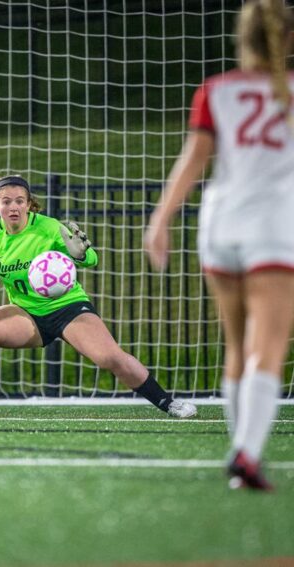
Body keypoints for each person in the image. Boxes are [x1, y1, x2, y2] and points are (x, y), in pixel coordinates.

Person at [145, 0, 294, 491]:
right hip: (271, 227)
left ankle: (240, 455)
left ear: (241, 39)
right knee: (267, 347)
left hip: (219, 224)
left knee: (236, 344)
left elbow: (194, 161)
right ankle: (247, 455)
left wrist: (160, 220)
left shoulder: (216, 90)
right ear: (287, 39)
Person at [0, 174, 197, 420]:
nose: (13, 207)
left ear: (29, 204)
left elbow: (92, 260)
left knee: (109, 357)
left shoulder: (49, 228)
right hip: (27, 314)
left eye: (19, 201)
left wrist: (80, 254)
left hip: (68, 309)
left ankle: (167, 402)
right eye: (6, 201)